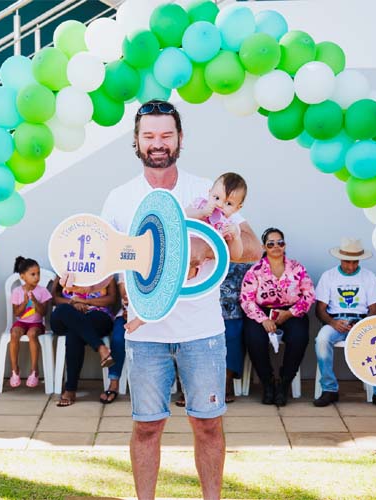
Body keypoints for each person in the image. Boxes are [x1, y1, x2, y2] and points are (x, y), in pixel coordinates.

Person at [100, 99, 262, 500]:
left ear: (180, 139)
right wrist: (79, 270)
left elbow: (254, 248)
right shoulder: (119, 198)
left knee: (207, 424)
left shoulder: (209, 191)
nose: (158, 143)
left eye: (166, 135)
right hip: (145, 335)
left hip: (202, 332)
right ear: (136, 141)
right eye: (149, 135)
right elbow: (104, 261)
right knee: (147, 427)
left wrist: (205, 249)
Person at [125, 172, 249, 334]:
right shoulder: (200, 206)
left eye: (228, 203)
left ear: (237, 208)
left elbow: (236, 255)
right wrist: (201, 213)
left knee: (169, 288)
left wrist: (235, 237)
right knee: (156, 276)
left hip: (192, 265)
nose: (219, 205)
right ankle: (141, 306)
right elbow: (179, 216)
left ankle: (144, 317)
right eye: (216, 198)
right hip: (173, 251)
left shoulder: (229, 225)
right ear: (209, 192)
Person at [313, 237, 376, 410]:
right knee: (322, 339)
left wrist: (362, 326)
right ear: (340, 258)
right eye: (347, 261)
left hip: (361, 320)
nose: (351, 266)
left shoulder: (367, 277)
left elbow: (374, 309)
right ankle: (329, 389)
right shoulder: (329, 276)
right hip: (336, 321)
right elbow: (320, 309)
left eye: (355, 262)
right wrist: (333, 322)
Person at [240, 227, 314, 407]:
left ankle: (284, 382)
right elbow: (246, 298)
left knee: (299, 337)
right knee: (253, 338)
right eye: (271, 243)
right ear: (264, 247)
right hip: (262, 313)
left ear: (284, 245)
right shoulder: (255, 271)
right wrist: (263, 319)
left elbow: (309, 294)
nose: (276, 246)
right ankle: (268, 383)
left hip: (291, 312)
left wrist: (289, 313)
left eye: (279, 242)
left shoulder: (297, 268)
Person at [50, 275, 117, 407]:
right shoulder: (64, 265)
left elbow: (111, 298)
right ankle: (101, 348)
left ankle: (70, 390)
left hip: (96, 315)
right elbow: (55, 298)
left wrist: (86, 302)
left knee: (74, 332)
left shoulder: (106, 270)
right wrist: (73, 303)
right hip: (67, 313)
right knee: (65, 311)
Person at [8, 256, 52, 389]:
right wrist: (25, 301)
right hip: (22, 322)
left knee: (33, 334)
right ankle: (15, 369)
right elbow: (17, 313)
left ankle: (34, 370)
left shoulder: (42, 291)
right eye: (33, 274)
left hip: (36, 324)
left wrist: (35, 301)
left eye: (38, 273)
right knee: (14, 333)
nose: (37, 277)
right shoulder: (17, 291)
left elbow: (43, 312)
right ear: (23, 276)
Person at [220, 262, 252, 403]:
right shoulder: (201, 260)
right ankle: (191, 386)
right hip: (200, 312)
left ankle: (225, 382)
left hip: (232, 313)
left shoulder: (243, 264)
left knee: (233, 336)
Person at [102, 278, 128, 404]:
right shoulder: (127, 264)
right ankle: (114, 383)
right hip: (126, 313)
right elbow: (123, 293)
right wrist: (130, 311)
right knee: (117, 338)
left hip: (153, 315)